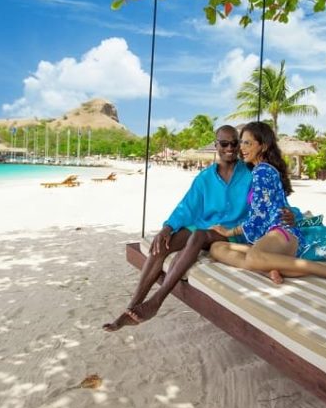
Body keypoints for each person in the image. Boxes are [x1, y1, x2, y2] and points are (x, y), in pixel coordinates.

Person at [103, 124, 297, 331]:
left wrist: (290, 214)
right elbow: (187, 207)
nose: (230, 148)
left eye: (235, 143)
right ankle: (132, 306)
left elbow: (273, 200)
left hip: (231, 232)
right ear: (216, 145)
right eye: (224, 143)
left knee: (199, 235)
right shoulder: (204, 178)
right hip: (205, 227)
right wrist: (167, 228)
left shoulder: (252, 172)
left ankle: (156, 302)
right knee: (162, 245)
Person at [209, 122, 326, 285]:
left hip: (281, 233)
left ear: (263, 146)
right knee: (217, 247)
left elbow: (259, 217)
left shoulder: (262, 171)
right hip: (269, 238)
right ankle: (268, 268)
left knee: (251, 256)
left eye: (248, 143)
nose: (242, 148)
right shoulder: (262, 170)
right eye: (242, 142)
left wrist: (229, 232)